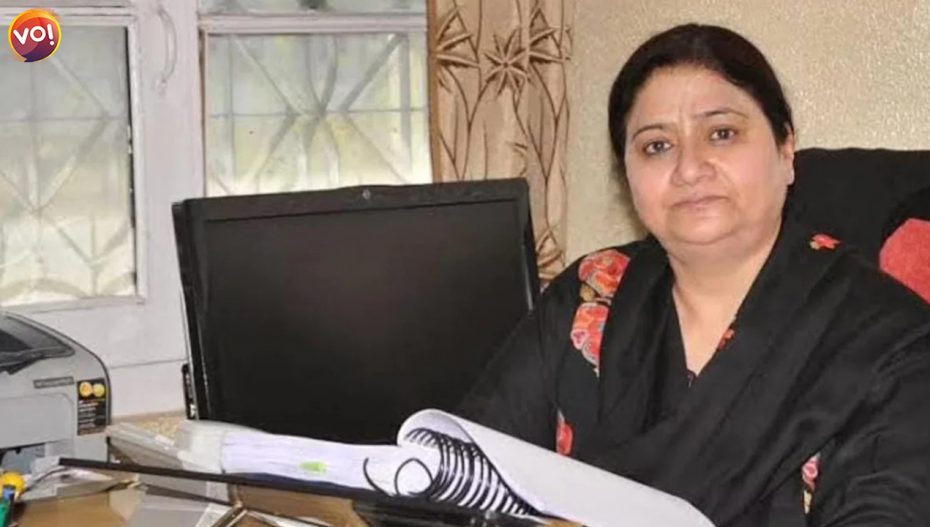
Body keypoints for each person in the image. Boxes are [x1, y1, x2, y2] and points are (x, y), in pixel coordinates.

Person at [458, 23, 930, 526]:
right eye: (656, 146)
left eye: (721, 134)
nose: (689, 168)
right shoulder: (590, 292)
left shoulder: (890, 339)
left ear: (786, 150)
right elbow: (463, 479)